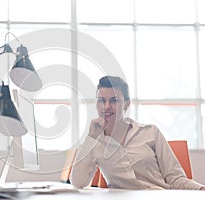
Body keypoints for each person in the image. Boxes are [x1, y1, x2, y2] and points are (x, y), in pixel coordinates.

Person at [70, 75, 205, 190]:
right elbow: (77, 182)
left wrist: (200, 189)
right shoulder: (96, 143)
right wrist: (91, 137)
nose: (106, 107)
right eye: (101, 101)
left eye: (114, 100)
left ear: (127, 104)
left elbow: (175, 179)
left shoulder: (150, 132)